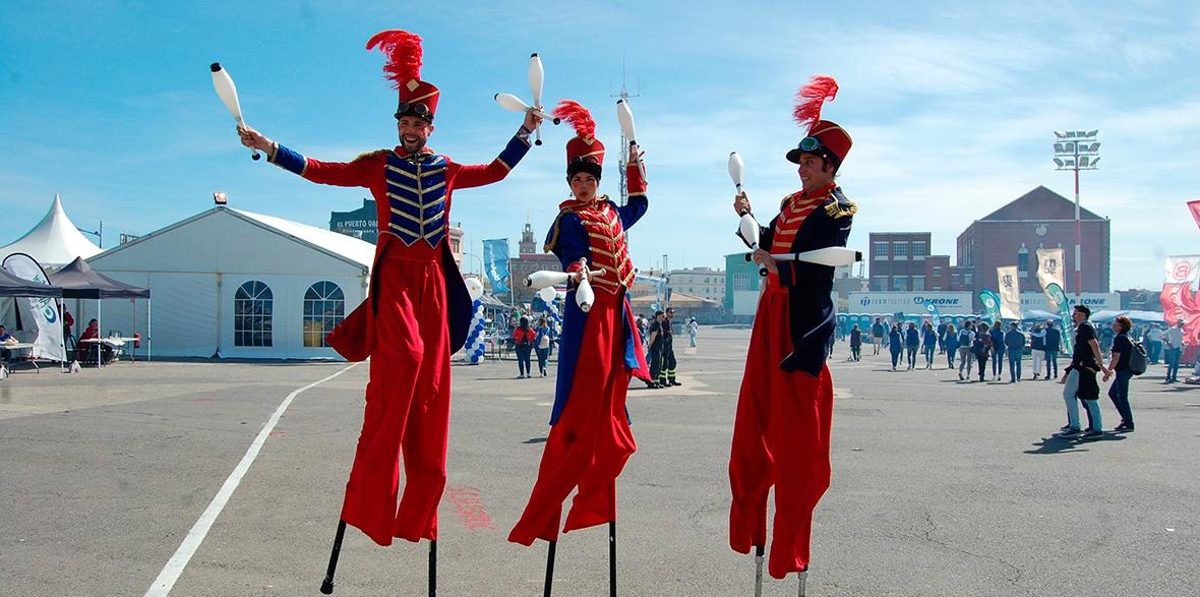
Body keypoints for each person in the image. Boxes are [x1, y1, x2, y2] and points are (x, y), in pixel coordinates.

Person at [237, 29, 540, 549]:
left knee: (432, 390)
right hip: (396, 277)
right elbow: (322, 171)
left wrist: (525, 131)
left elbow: (495, 172)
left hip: (434, 284)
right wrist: (270, 148)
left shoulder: (446, 170)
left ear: (429, 125)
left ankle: (417, 510)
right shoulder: (378, 164)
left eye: (416, 122)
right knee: (404, 356)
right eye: (403, 121)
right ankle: (379, 474)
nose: (409, 129)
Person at [728, 74, 855, 580]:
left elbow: (818, 266)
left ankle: (790, 545)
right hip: (769, 313)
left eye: (809, 162)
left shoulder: (837, 208)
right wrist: (747, 218)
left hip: (800, 322)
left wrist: (777, 262)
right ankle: (753, 528)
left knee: (797, 440)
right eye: (800, 162)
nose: (802, 170)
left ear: (830, 164)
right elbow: (768, 245)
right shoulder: (787, 206)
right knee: (753, 420)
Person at [509, 100, 651, 549]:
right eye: (578, 179)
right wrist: (579, 269)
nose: (584, 185)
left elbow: (641, 204)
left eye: (590, 179)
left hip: (617, 313)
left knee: (610, 396)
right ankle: (559, 488)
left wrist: (633, 157)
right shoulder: (569, 218)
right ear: (570, 182)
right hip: (589, 315)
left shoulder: (613, 213)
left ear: (597, 181)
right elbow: (571, 253)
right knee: (584, 399)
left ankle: (601, 462)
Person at [1058, 305, 1109, 438]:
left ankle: (1089, 428)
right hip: (1079, 367)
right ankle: (1078, 425)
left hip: (1085, 367)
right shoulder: (1081, 328)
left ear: (1083, 315)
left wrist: (1100, 364)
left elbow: (1094, 345)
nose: (1073, 316)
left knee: (1088, 398)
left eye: (1076, 313)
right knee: (1074, 395)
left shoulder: (1086, 327)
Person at [1103, 315, 1136, 431]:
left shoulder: (1120, 339)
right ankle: (1125, 418)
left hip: (1123, 370)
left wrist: (1108, 372)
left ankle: (1128, 422)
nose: (1113, 325)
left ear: (1121, 326)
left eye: (1116, 324)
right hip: (1127, 369)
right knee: (1113, 393)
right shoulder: (1126, 337)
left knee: (1122, 396)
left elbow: (1116, 358)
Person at [659, 307, 680, 386]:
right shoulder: (664, 322)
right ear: (667, 313)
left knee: (672, 362)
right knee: (664, 364)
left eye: (673, 312)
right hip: (665, 345)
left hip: (669, 345)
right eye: (671, 312)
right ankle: (663, 381)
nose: (672, 314)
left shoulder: (669, 322)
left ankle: (672, 379)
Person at [645, 310, 665, 389]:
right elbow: (653, 336)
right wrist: (650, 345)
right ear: (659, 316)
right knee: (655, 365)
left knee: (659, 365)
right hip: (655, 347)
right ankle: (651, 382)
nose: (663, 317)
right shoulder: (656, 325)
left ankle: (656, 381)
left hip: (659, 347)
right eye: (662, 316)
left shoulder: (659, 325)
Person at [1163, 319, 1184, 383]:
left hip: (1179, 347)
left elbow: (1180, 339)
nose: (1182, 325)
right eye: (1181, 323)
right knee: (1171, 363)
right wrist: (1168, 343)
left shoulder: (1181, 330)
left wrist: (1182, 343)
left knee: (1176, 364)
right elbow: (1162, 335)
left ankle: (1174, 377)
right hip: (1173, 348)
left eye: (1183, 324)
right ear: (1178, 323)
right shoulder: (1172, 329)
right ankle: (1168, 377)